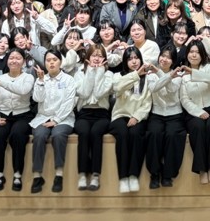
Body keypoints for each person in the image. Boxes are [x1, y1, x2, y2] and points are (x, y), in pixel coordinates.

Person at [180, 40, 210, 185]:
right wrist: (198, 112)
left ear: (202, 54)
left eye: (197, 52)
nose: (194, 55)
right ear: (187, 54)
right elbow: (184, 99)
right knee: (198, 127)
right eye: (191, 52)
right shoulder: (182, 75)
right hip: (193, 112)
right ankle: (202, 169)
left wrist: (193, 72)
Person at [29, 50, 76, 194]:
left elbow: (69, 103)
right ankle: (37, 176)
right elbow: (37, 99)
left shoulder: (69, 80)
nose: (51, 63)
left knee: (58, 135)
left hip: (64, 118)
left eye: (54, 59)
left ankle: (59, 174)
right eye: (48, 60)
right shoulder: (41, 79)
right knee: (39, 135)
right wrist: (40, 81)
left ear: (60, 62)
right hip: (43, 117)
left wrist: (56, 120)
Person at [0, 47, 35, 193]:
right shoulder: (0, 78)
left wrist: (0, 83)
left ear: (23, 62)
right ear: (7, 61)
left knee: (18, 134)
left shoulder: (28, 77)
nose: (14, 61)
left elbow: (22, 91)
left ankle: (17, 174)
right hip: (3, 115)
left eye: (18, 58)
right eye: (11, 58)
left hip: (23, 115)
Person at [110, 47, 153, 193]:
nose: (134, 62)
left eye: (136, 58)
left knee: (136, 134)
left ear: (141, 59)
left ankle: (134, 175)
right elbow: (117, 88)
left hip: (138, 116)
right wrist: (136, 75)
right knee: (122, 134)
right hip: (120, 115)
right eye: (130, 59)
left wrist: (137, 117)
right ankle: (123, 178)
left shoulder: (148, 78)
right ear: (125, 61)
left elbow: (147, 102)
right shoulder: (118, 76)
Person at [73, 43, 114, 192]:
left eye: (100, 56)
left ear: (104, 58)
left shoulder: (109, 74)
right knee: (84, 133)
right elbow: (84, 93)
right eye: (94, 55)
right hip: (84, 113)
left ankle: (96, 175)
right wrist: (90, 71)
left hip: (101, 114)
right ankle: (82, 174)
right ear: (88, 57)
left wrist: (100, 71)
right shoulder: (79, 73)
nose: (96, 58)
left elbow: (99, 93)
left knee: (96, 133)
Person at [146, 46, 188, 189]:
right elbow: (154, 88)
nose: (164, 59)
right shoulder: (150, 74)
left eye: (168, 57)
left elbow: (171, 90)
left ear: (173, 61)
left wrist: (165, 75)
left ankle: (168, 175)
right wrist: (166, 75)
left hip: (175, 114)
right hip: (156, 113)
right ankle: (154, 174)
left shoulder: (179, 75)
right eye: (162, 56)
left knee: (173, 135)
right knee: (154, 134)